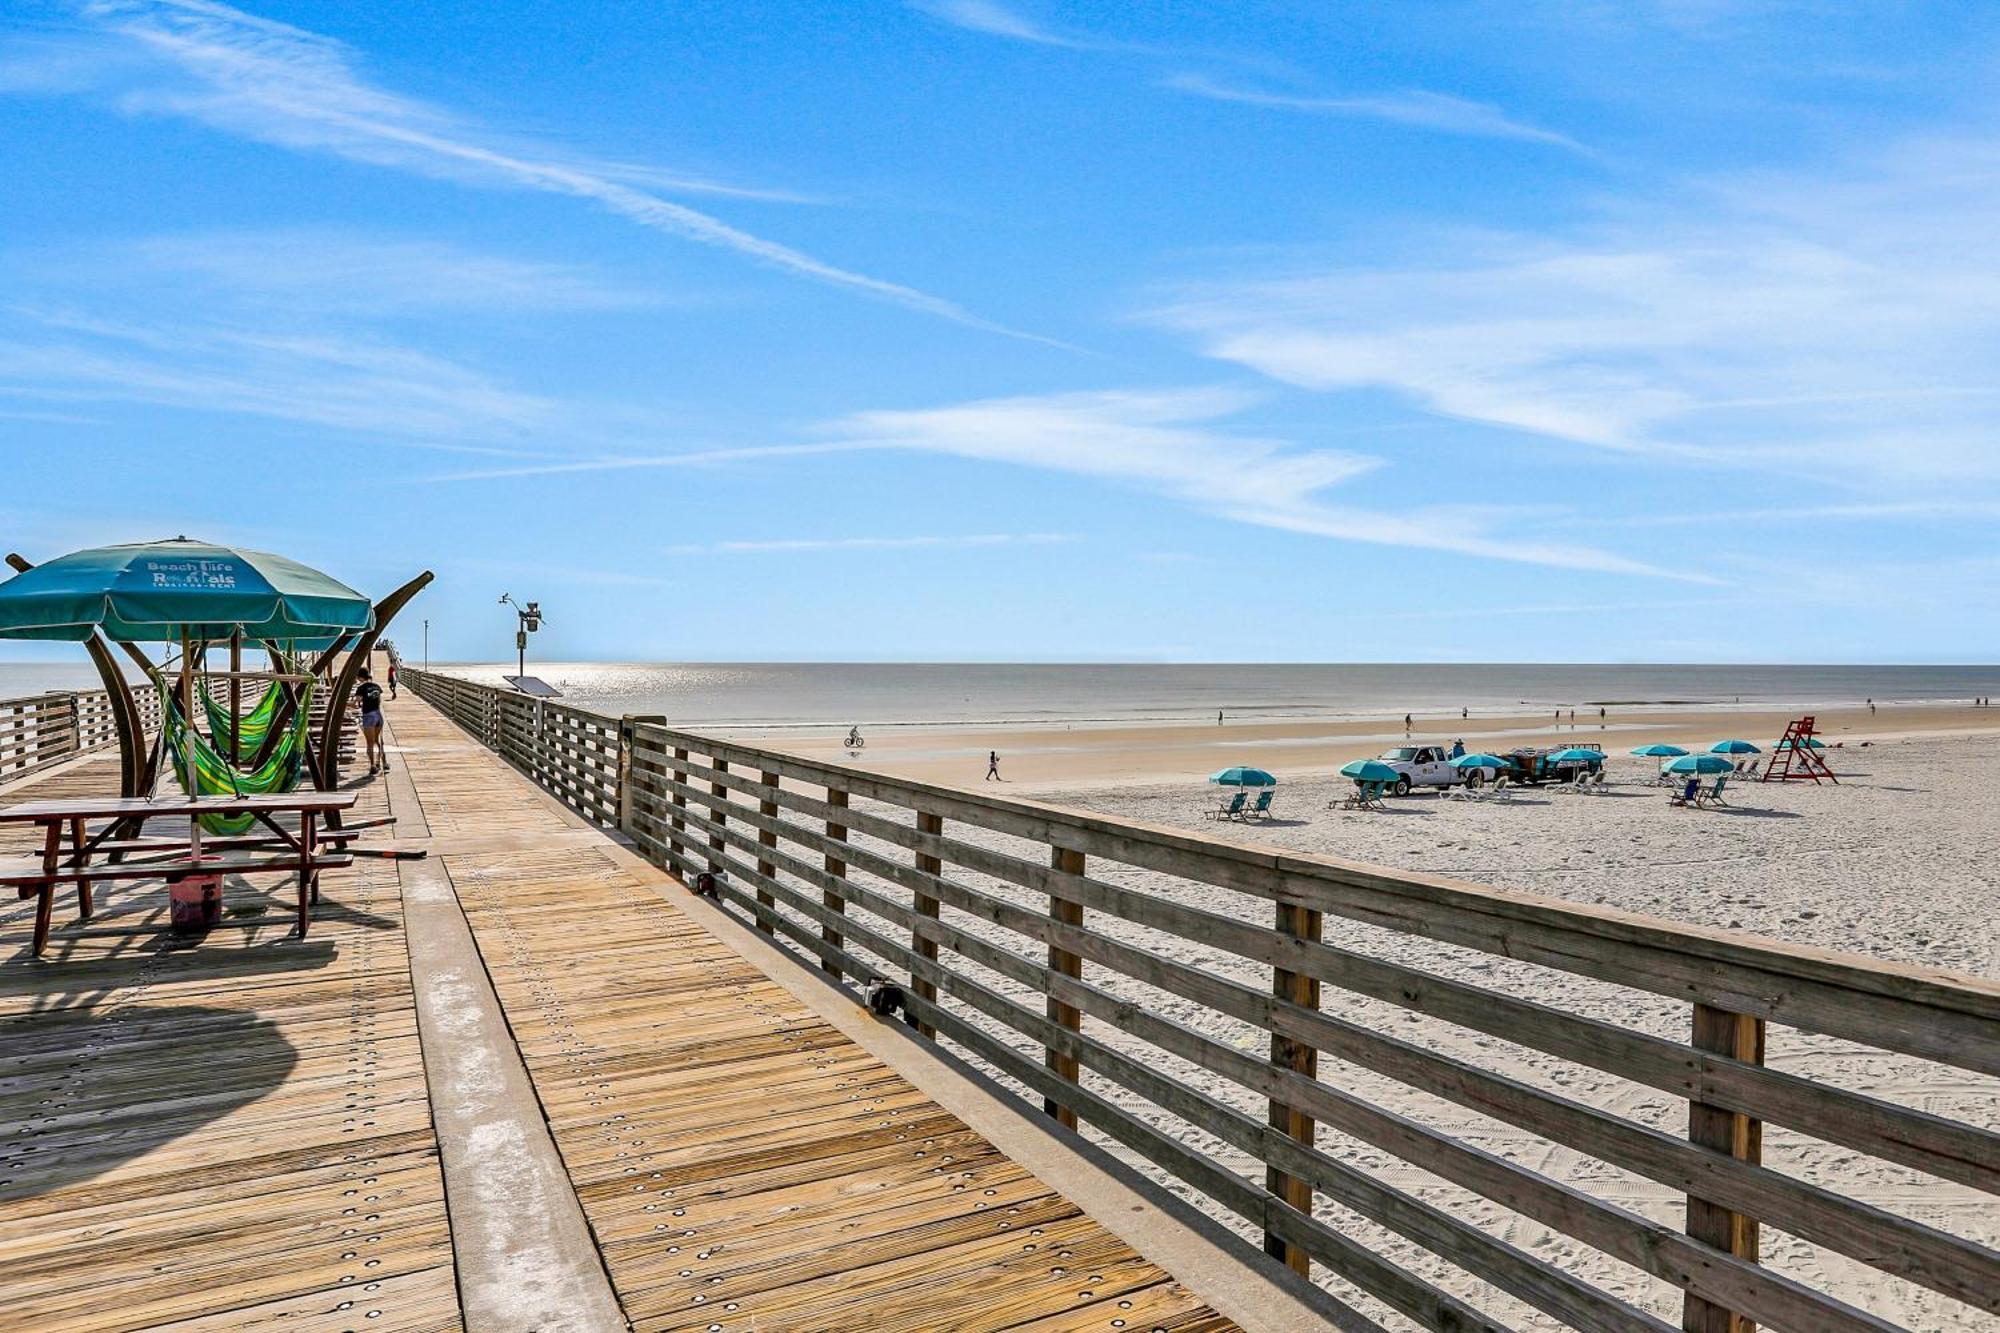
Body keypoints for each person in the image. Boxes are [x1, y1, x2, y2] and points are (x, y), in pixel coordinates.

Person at [357, 667, 388, 775]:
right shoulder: (377, 687)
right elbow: (378, 701)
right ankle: (383, 763)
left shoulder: (361, 688)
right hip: (378, 715)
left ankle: (372, 765)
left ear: (360, 677)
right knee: (378, 741)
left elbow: (356, 703)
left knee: (370, 743)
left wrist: (344, 704)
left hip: (368, 716)